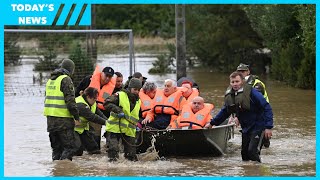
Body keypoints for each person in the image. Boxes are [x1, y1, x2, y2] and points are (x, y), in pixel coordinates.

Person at [205, 71, 273, 163]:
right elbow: (225, 111)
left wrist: (268, 127)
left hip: (258, 125)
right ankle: (247, 174)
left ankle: (258, 172)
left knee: (252, 152)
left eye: (237, 81)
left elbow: (266, 107)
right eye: (233, 82)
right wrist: (212, 123)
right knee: (244, 155)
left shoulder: (252, 92)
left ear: (242, 81)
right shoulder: (231, 95)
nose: (235, 84)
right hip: (246, 127)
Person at [43, 59, 80, 161]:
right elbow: (70, 102)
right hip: (63, 121)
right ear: (71, 69)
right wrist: (77, 117)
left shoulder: (50, 80)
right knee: (70, 147)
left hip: (50, 121)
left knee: (56, 149)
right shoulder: (66, 79)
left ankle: (56, 172)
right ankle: (64, 171)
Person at [74, 66, 116, 150]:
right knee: (79, 147)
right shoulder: (89, 80)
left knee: (94, 143)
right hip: (83, 112)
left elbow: (101, 111)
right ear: (102, 74)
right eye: (106, 75)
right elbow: (76, 92)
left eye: (110, 77)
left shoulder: (112, 87)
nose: (107, 78)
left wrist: (108, 121)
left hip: (97, 112)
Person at [103, 78, 142, 162]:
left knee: (131, 156)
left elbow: (139, 115)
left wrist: (139, 124)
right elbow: (106, 103)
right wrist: (118, 110)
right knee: (113, 151)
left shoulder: (138, 101)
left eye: (139, 90)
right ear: (130, 88)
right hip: (114, 128)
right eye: (135, 89)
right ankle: (113, 171)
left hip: (129, 130)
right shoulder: (120, 95)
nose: (137, 92)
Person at [237, 63, 271, 148]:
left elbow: (255, 100)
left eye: (243, 71)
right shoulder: (238, 84)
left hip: (261, 112)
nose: (241, 73)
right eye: (239, 71)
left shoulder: (257, 84)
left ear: (248, 72)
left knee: (262, 141)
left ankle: (264, 142)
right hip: (248, 114)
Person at [74, 87, 108, 156]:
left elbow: (99, 113)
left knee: (94, 149)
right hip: (73, 129)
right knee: (78, 151)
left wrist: (108, 120)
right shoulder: (80, 104)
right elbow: (92, 117)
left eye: (96, 98)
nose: (95, 100)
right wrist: (106, 123)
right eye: (94, 99)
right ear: (88, 97)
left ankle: (90, 164)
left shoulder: (92, 103)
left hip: (83, 129)